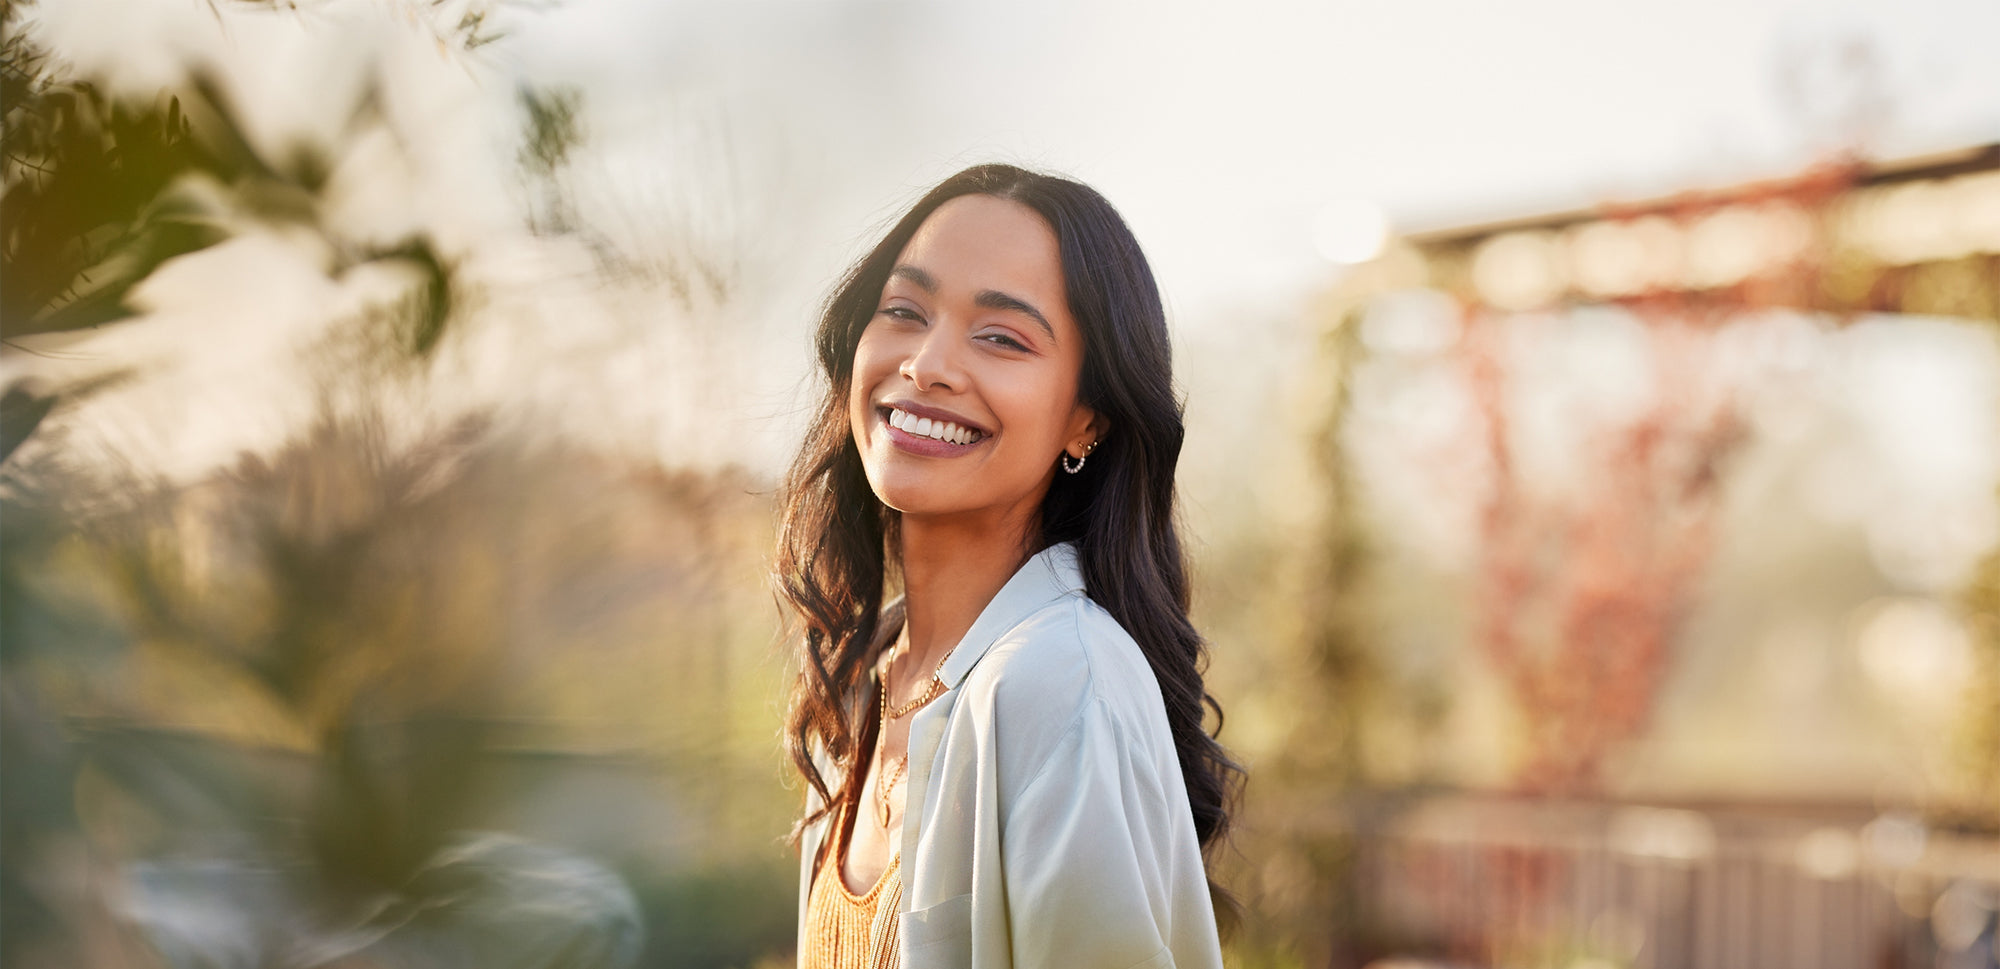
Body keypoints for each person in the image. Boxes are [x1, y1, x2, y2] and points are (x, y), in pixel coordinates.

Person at [776, 163, 1239, 969]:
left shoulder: (1059, 679)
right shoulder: (868, 682)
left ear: (1085, 418)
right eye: (904, 311)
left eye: (1001, 337)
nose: (927, 363)